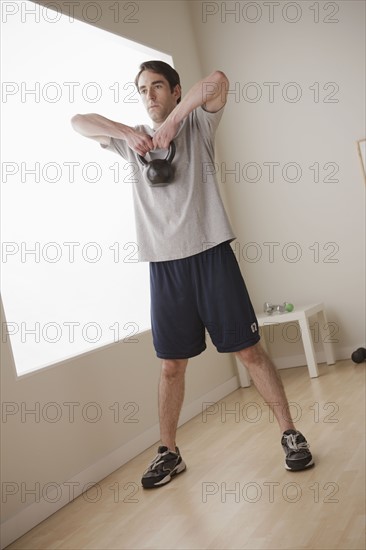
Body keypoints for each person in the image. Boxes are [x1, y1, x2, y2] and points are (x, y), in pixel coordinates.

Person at [71, 61, 314, 489]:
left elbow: (219, 81)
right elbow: (78, 122)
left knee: (249, 351)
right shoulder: (132, 143)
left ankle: (290, 433)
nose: (150, 96)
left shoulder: (197, 125)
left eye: (159, 87)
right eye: (143, 89)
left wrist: (175, 122)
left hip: (211, 255)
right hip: (164, 268)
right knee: (170, 367)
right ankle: (169, 452)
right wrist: (129, 134)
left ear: (176, 91)